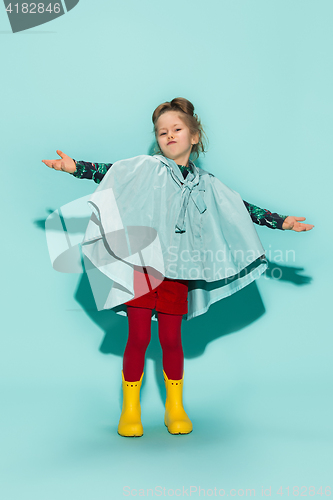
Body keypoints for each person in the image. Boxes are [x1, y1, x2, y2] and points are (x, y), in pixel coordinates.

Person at [42, 97, 314, 438]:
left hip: (180, 271)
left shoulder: (209, 184)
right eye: (161, 131)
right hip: (142, 265)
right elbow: (111, 171)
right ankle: (130, 409)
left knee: (171, 339)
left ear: (194, 136)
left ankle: (175, 407)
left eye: (177, 129)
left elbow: (240, 209)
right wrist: (75, 168)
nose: (168, 135)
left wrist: (282, 222)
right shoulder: (145, 168)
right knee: (139, 336)